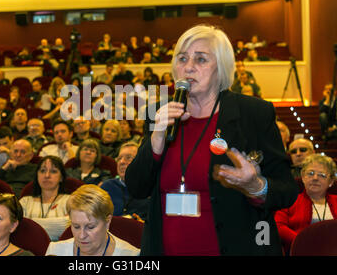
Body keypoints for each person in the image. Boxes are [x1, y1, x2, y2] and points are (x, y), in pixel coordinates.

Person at [125, 24, 298, 256]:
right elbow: (136, 187)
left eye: (201, 59)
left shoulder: (253, 114)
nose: (188, 67)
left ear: (221, 68)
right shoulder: (160, 113)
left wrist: (255, 186)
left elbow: (286, 190)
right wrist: (156, 139)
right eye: (182, 58)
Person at [45, 184, 140, 256]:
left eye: (90, 227)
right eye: (76, 226)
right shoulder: (55, 251)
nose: (81, 236)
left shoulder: (131, 254)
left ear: (108, 221)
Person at [274, 154, 337, 254]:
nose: (315, 178)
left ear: (330, 181)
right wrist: (303, 241)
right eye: (310, 173)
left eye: (322, 175)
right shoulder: (290, 200)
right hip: (301, 251)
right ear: (303, 177)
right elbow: (278, 226)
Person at [20, 156, 71, 241]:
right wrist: (62, 222)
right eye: (43, 171)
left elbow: (72, 230)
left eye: (53, 171)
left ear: (61, 177)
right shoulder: (25, 201)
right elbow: (18, 228)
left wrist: (29, 223)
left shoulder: (71, 201)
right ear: (37, 175)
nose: (47, 175)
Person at [101, 142, 149, 220]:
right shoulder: (107, 187)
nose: (122, 162)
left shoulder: (150, 190)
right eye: (119, 158)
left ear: (141, 162)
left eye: (128, 158)